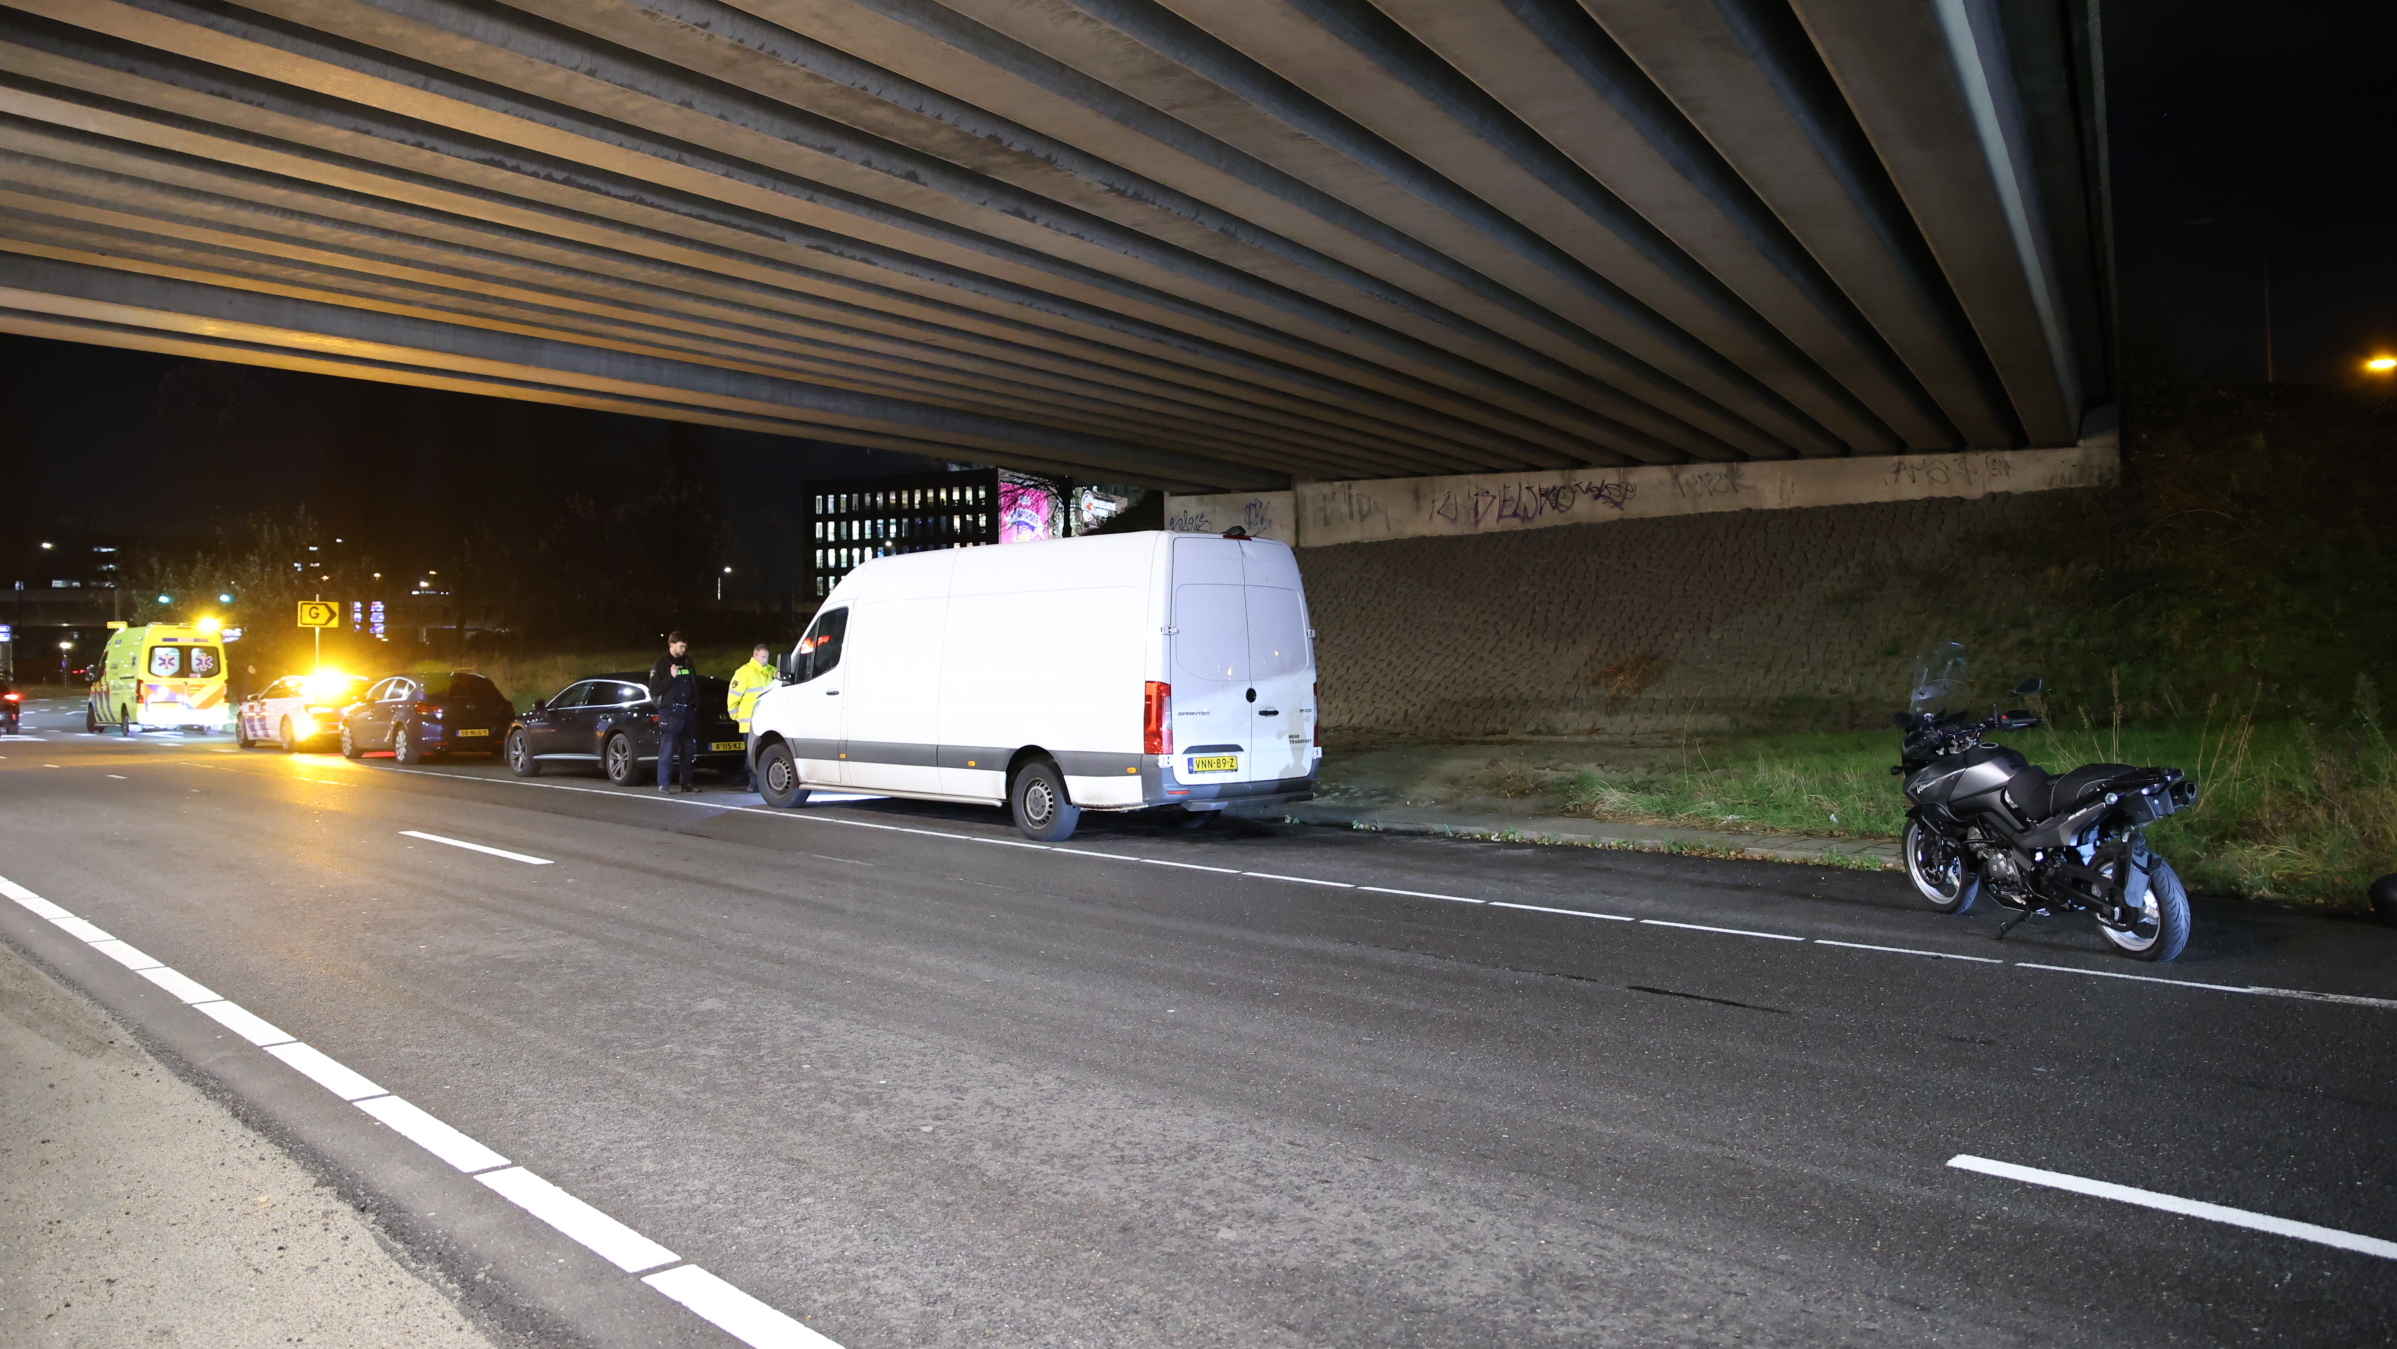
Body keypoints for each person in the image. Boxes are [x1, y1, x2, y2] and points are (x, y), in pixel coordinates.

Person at [647, 631, 699, 794]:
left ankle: (686, 783)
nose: (684, 648)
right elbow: (654, 688)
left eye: (685, 646)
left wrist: (695, 703)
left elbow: (694, 684)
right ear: (672, 645)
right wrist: (671, 676)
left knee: (688, 748)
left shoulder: (688, 662)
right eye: (681, 646)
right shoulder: (661, 664)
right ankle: (664, 784)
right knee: (667, 748)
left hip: (687, 710)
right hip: (670, 711)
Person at [726, 641, 776, 791]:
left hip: (767, 721)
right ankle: (753, 782)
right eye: (762, 657)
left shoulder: (771, 670)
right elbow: (733, 696)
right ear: (755, 655)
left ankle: (761, 782)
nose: (765, 660)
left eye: (767, 657)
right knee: (751, 754)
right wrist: (736, 715)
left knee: (763, 752)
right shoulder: (744, 672)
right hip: (750, 722)